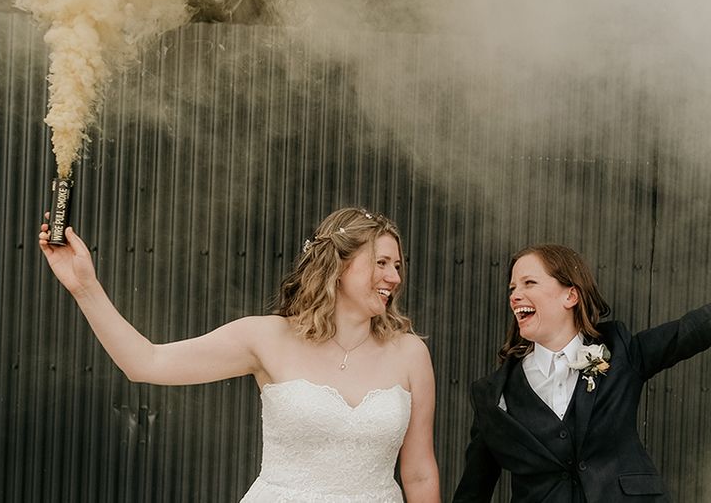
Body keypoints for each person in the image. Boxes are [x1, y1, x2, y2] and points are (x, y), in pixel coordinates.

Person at [39, 207, 440, 502]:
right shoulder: (266, 337)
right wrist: (84, 288)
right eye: (382, 263)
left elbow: (420, 474)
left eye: (398, 266)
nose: (394, 278)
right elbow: (145, 362)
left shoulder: (410, 354)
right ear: (338, 266)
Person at [452, 243, 711, 503]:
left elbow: (689, 332)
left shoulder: (622, 350)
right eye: (512, 288)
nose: (515, 295)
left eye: (529, 283)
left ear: (571, 295)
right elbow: (473, 491)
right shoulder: (493, 395)